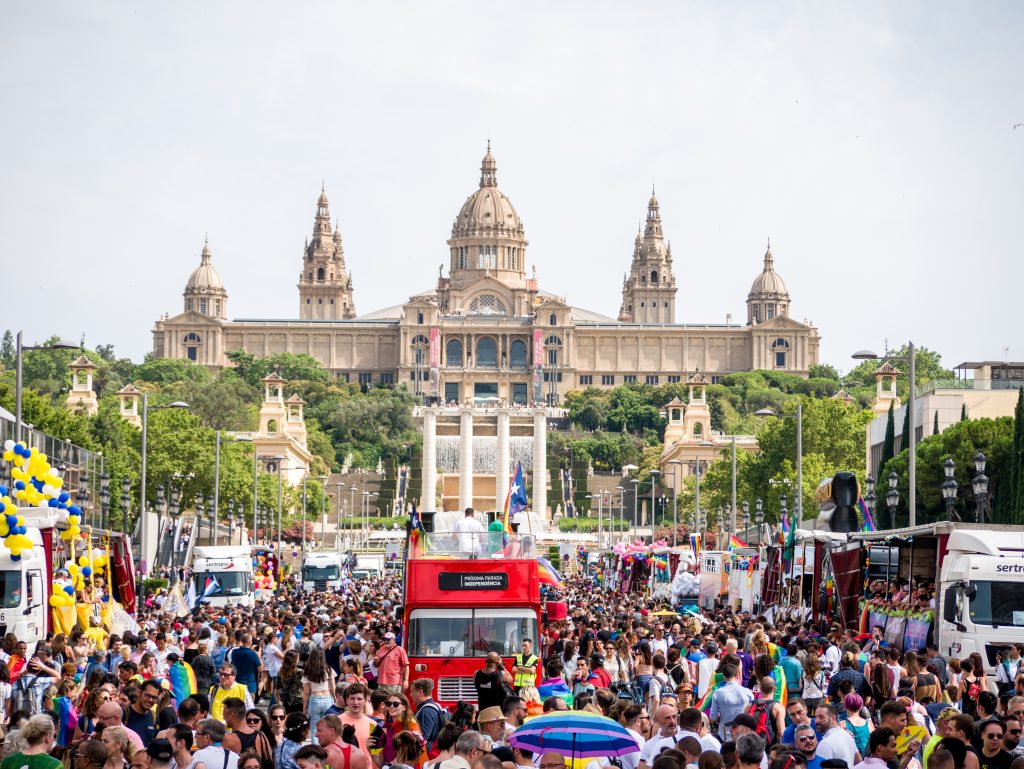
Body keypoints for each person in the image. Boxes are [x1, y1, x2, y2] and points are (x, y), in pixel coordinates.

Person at [221, 697, 274, 768]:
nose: (223, 717)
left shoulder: (228, 739)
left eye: (224, 713)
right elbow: (270, 762)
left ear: (232, 715)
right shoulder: (261, 735)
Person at [711, 663, 754, 741]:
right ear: (737, 675)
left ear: (724, 677)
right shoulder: (748, 692)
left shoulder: (717, 693)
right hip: (743, 735)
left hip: (724, 735)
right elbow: (752, 715)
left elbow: (712, 718)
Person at [304, 648, 337, 736]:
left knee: (314, 727)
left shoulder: (308, 671)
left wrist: (304, 707)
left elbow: (306, 692)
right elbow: (333, 687)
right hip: (327, 698)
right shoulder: (329, 670)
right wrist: (335, 699)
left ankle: (315, 749)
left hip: (314, 699)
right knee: (328, 725)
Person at [410, 679, 446, 755]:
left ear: (420, 693)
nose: (411, 695)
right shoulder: (435, 706)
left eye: (412, 691)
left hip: (427, 755)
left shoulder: (426, 711)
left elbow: (422, 739)